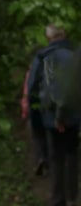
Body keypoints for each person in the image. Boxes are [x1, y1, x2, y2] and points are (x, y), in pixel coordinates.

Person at [28, 24, 80, 206]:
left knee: (56, 156)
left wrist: (35, 116)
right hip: (74, 115)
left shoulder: (43, 57)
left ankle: (58, 199)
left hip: (51, 117)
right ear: (64, 35)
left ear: (49, 38)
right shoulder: (75, 55)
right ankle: (73, 196)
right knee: (72, 154)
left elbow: (32, 87)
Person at [21, 62, 48, 176]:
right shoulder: (50, 71)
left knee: (37, 135)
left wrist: (24, 110)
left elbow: (26, 91)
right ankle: (48, 160)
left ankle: (40, 158)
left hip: (34, 106)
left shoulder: (31, 72)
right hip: (47, 107)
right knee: (47, 134)